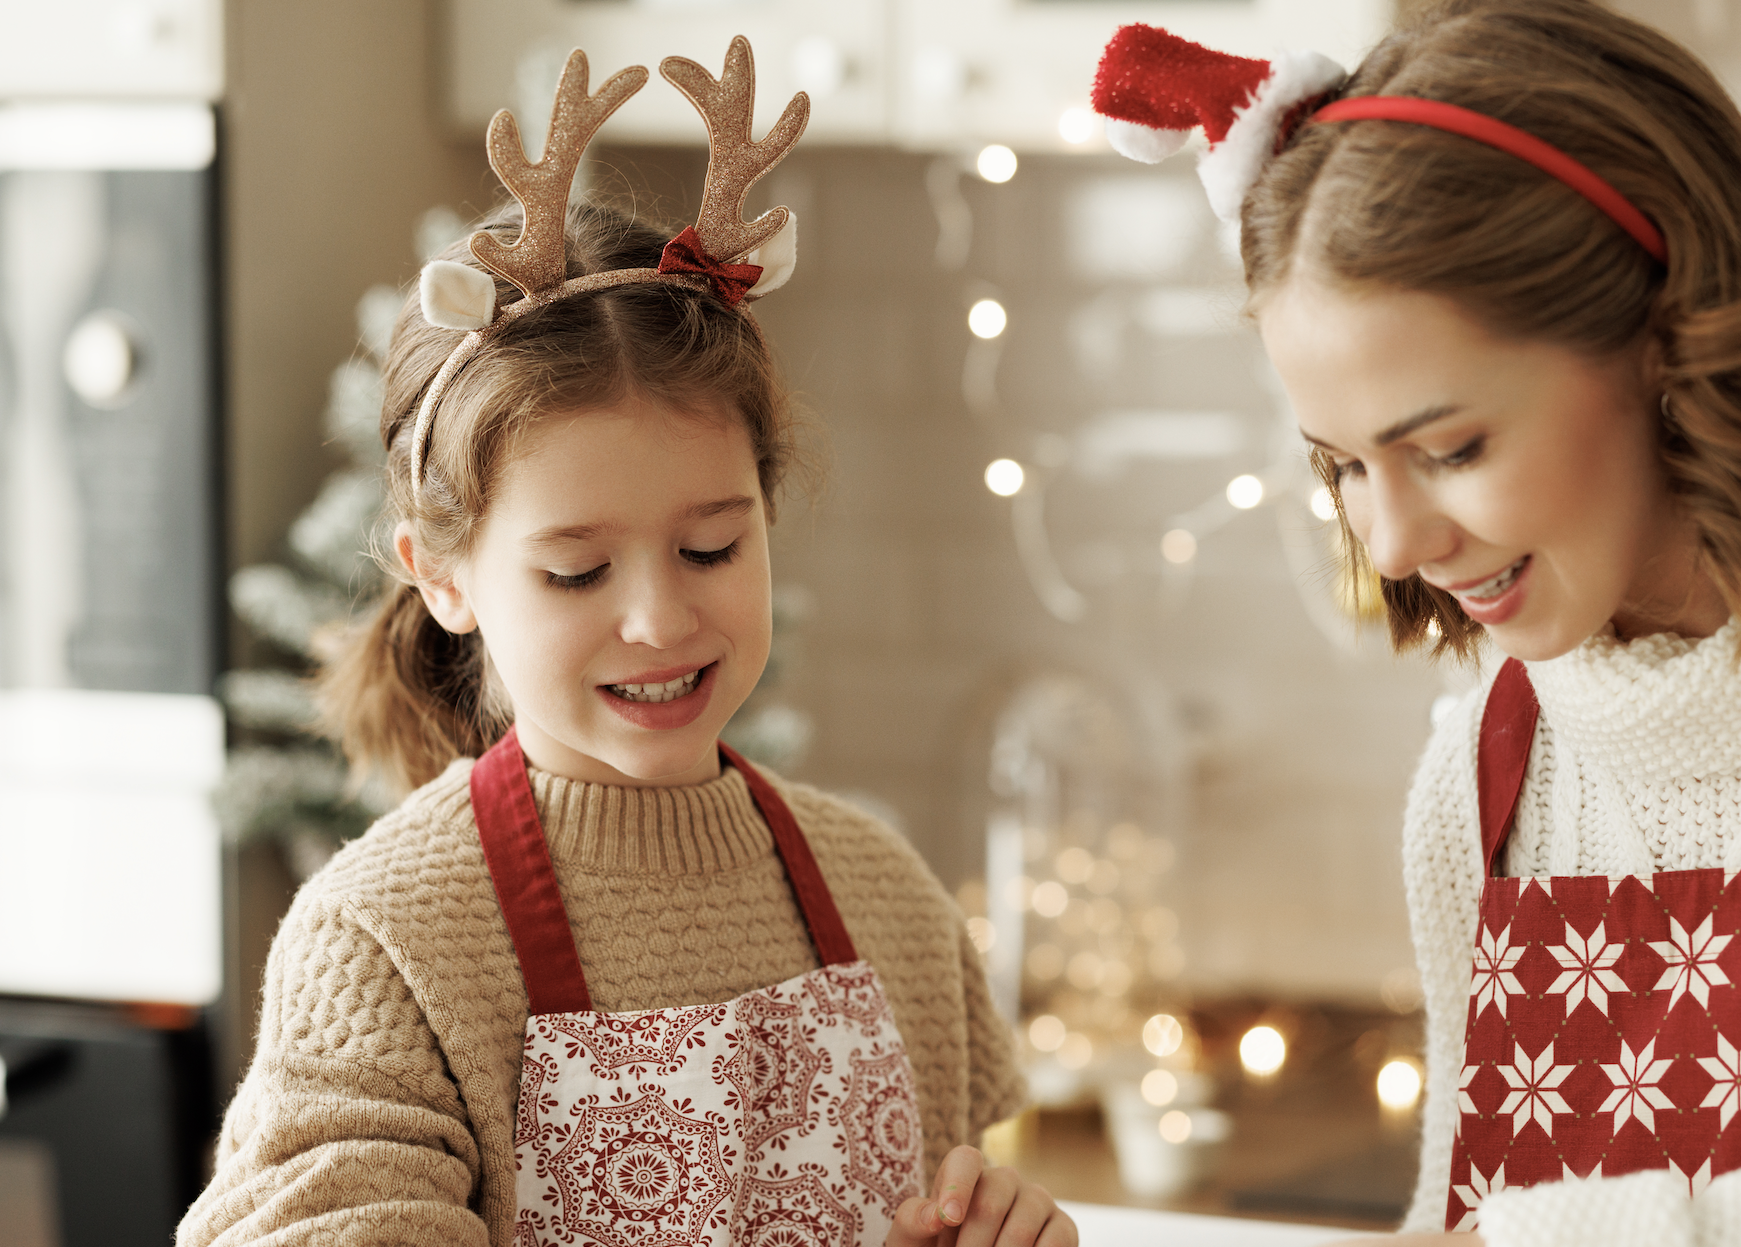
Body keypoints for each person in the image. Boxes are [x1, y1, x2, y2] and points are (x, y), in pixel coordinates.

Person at [180, 40, 1074, 1247]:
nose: (658, 617)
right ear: (442, 577)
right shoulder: (389, 938)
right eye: (576, 570)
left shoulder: (886, 898)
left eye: (711, 547)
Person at [1093, 2, 1741, 1244]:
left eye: (1448, 448)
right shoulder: (1488, 771)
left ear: (1660, 338)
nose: (1389, 545)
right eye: (1342, 464)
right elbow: (1463, 1200)